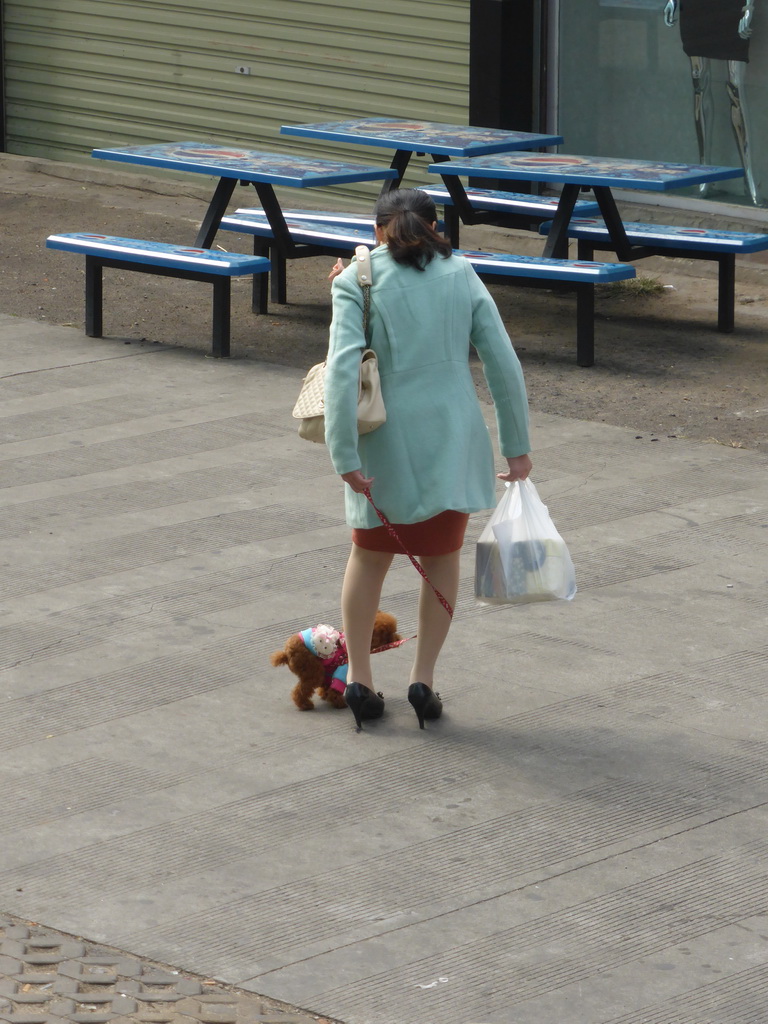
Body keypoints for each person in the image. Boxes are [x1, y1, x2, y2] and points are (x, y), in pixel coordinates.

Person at [323, 189, 532, 731]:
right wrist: (517, 446)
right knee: (441, 558)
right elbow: (502, 362)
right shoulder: (461, 273)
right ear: (436, 227)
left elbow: (344, 372)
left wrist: (343, 452)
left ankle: (361, 679)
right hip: (452, 436)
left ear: (378, 232)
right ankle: (423, 680)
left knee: (369, 558)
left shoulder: (353, 283)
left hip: (382, 442)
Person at [664, 0, 761, 206]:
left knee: (735, 88)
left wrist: (749, 7)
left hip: (732, 8)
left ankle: (749, 178)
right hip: (695, 9)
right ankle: (704, 176)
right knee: (699, 86)